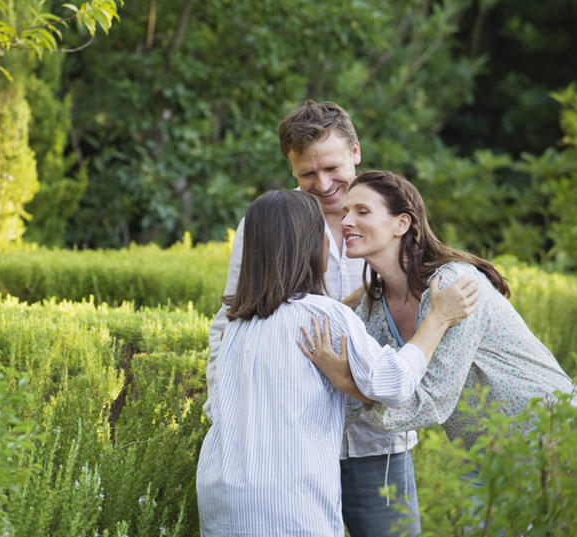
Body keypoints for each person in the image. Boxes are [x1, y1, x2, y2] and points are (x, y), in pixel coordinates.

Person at [196, 189, 477, 537]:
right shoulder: (321, 314)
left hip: (221, 497)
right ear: (313, 247)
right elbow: (392, 382)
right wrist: (438, 318)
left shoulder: (237, 324)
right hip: (290, 506)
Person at [208, 101, 424, 536]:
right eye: (307, 174)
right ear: (292, 171)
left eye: (331, 168)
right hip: (288, 446)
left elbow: (416, 306)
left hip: (373, 441)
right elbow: (232, 318)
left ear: (356, 152)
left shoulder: (392, 213)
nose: (323, 185)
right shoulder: (265, 226)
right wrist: (224, 413)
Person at [303, 170, 574, 454]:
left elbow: (432, 400)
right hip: (490, 457)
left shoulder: (452, 287)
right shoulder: (373, 308)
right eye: (345, 212)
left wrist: (345, 381)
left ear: (401, 223)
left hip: (555, 437)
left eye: (362, 211)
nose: (346, 221)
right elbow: (354, 401)